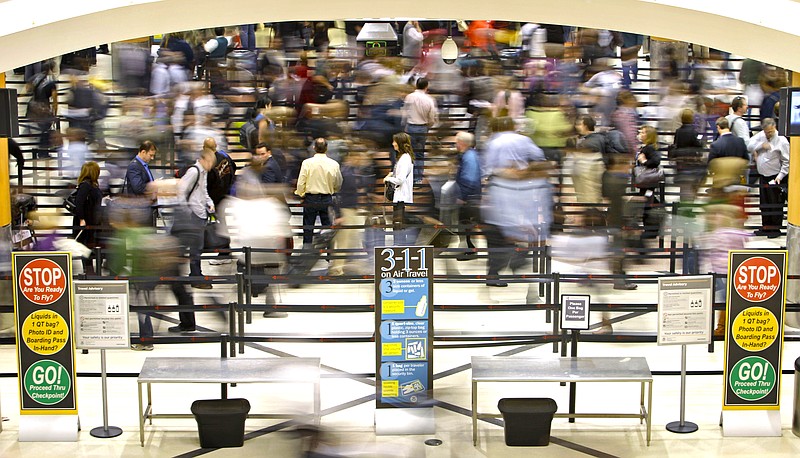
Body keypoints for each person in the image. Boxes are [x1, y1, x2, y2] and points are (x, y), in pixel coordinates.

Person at [481, 117, 551, 288]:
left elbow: (487, 169)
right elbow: (539, 158)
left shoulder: (493, 142)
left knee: (499, 230)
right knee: (516, 228)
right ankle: (515, 259)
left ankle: (498, 269)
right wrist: (523, 170)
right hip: (520, 189)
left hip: (498, 188)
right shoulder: (523, 140)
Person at [172, 147, 216, 302]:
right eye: (210, 162)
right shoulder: (194, 171)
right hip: (193, 216)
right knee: (195, 249)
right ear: (203, 159)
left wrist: (209, 203)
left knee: (198, 247)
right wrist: (186, 210)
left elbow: (203, 192)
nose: (211, 165)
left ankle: (196, 274)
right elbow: (181, 191)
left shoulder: (203, 173)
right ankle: (195, 276)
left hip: (200, 214)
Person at [295, 137, 343, 247]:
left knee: (308, 227)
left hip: (311, 198)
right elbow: (339, 182)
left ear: (314, 148)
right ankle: (329, 254)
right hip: (326, 197)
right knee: (327, 227)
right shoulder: (334, 164)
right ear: (326, 148)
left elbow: (301, 181)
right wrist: (333, 190)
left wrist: (301, 193)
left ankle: (306, 252)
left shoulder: (307, 163)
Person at [747, 118, 790, 238]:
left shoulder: (782, 140)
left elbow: (787, 162)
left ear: (774, 127)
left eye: (770, 132)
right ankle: (765, 227)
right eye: (766, 132)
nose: (768, 134)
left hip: (775, 177)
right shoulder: (761, 136)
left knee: (775, 204)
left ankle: (775, 230)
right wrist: (761, 145)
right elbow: (749, 145)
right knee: (764, 204)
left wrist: (780, 176)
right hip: (763, 176)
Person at [402, 78, 439, 182]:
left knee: (409, 153)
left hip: (410, 127)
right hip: (423, 128)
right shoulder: (430, 99)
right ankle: (418, 178)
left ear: (416, 85)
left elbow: (404, 113)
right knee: (420, 153)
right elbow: (432, 117)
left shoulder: (409, 97)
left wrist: (403, 126)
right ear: (426, 87)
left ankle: (410, 178)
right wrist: (429, 126)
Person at [454, 132, 482, 259]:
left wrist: (462, 197)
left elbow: (469, 179)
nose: (455, 144)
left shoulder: (469, 156)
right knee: (466, 226)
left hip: (469, 197)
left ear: (462, 143)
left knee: (465, 225)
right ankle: (469, 249)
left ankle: (469, 250)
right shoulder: (469, 155)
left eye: (456, 142)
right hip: (470, 196)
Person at [384, 133, 416, 245]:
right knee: (398, 224)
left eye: (395, 142)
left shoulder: (404, 159)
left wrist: (388, 179)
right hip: (401, 196)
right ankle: (399, 244)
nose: (393, 144)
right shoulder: (404, 158)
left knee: (398, 224)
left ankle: (399, 245)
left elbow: (400, 180)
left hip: (401, 197)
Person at [73, 161, 103, 275]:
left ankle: (92, 271)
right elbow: (79, 203)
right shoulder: (85, 186)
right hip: (86, 223)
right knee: (86, 247)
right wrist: (82, 219)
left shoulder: (92, 185)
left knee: (91, 247)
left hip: (92, 221)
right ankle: (89, 271)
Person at [635, 125, 663, 239]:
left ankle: (650, 231)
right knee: (648, 204)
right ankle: (651, 230)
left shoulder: (649, 148)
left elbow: (656, 161)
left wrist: (644, 161)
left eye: (643, 132)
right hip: (646, 182)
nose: (640, 134)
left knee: (648, 205)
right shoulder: (646, 147)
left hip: (648, 182)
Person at [124, 140, 159, 225]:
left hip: (146, 208)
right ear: (143, 152)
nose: (152, 158)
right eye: (150, 155)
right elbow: (138, 188)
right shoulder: (134, 166)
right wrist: (153, 186)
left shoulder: (143, 165)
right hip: (139, 211)